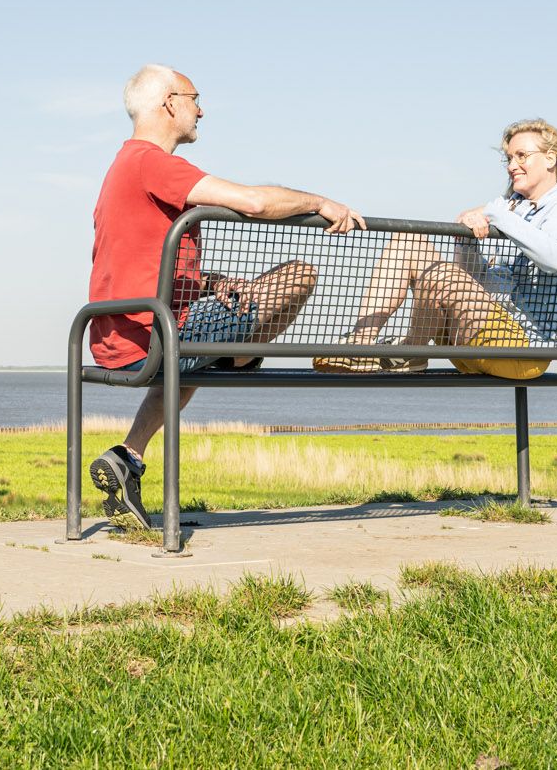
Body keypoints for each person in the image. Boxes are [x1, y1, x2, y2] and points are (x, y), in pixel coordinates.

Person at [86, 64, 362, 528]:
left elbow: (142, 261)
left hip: (125, 333)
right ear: (169, 103)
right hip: (158, 335)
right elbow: (252, 202)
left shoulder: (122, 166)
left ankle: (127, 457)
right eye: (195, 98)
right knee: (299, 275)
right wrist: (320, 203)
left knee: (200, 346)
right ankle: (239, 355)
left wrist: (211, 283)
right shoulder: (152, 162)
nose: (202, 109)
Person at [315, 119, 557, 380]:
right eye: (509, 158)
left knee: (442, 275)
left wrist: (496, 215)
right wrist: (468, 239)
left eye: (522, 156)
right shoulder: (511, 206)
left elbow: (556, 258)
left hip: (522, 351)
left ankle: (412, 351)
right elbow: (470, 277)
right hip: (474, 335)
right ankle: (360, 345)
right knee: (409, 241)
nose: (512, 165)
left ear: (550, 159)